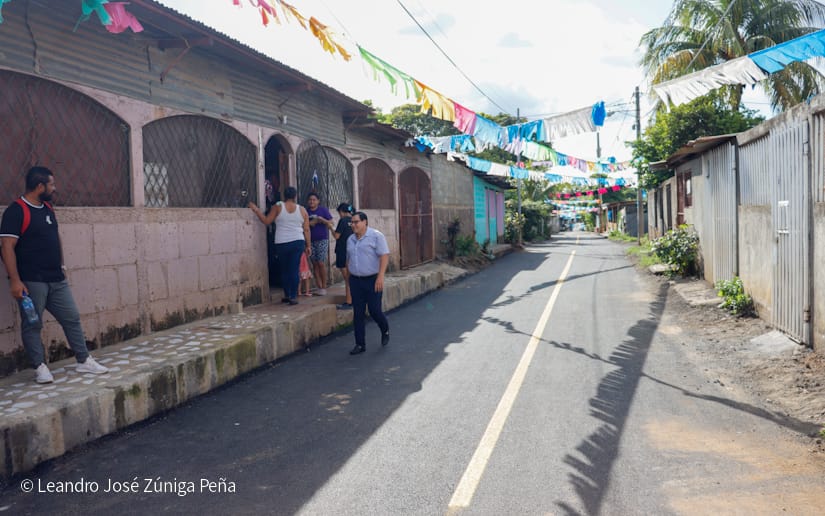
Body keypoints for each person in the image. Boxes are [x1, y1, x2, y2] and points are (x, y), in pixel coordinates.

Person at [0, 166, 109, 383]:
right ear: (40, 186)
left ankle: (83, 360)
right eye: (51, 184)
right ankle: (40, 367)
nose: (54, 188)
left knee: (71, 318)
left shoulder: (48, 208)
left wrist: (62, 265)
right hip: (32, 281)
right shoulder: (17, 210)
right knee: (33, 324)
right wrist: (15, 280)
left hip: (56, 279)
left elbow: (54, 236)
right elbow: (6, 246)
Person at [249, 186, 311, 305]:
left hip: (282, 242)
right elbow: (307, 229)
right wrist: (308, 246)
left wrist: (256, 210)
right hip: (298, 242)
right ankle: (293, 296)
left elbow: (267, 221)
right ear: (295, 196)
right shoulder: (302, 210)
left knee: (285, 269)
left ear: (284, 196)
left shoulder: (277, 207)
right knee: (294, 268)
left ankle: (288, 294)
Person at [345, 212, 390, 355]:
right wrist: (348, 278)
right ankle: (360, 344)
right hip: (356, 281)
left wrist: (380, 276)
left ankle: (385, 329)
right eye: (351, 222)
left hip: (373, 280)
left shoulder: (376, 236)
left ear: (365, 222)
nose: (353, 225)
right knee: (358, 313)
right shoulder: (350, 239)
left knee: (374, 310)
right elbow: (348, 259)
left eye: (356, 222)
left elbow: (384, 256)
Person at [305, 193, 333, 296]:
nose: (312, 202)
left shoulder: (323, 210)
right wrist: (312, 222)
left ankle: (324, 286)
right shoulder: (306, 211)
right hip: (310, 241)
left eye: (314, 200)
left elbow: (331, 222)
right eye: (310, 200)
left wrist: (321, 220)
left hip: (322, 239)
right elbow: (305, 224)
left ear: (318, 201)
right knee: (315, 264)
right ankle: (319, 286)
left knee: (321, 263)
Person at [333, 203, 355, 309]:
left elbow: (337, 236)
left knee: (347, 278)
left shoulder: (343, 221)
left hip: (342, 251)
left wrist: (329, 226)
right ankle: (352, 300)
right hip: (353, 252)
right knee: (351, 277)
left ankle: (349, 301)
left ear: (342, 211)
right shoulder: (354, 220)